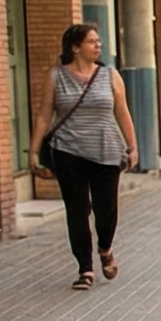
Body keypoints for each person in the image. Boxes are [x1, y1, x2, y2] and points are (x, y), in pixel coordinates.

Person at [30, 22, 138, 290]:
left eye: (98, 41)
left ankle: (105, 248)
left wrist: (132, 146)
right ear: (75, 47)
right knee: (77, 210)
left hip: (106, 151)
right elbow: (45, 114)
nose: (98, 46)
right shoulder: (56, 76)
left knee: (106, 210)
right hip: (68, 151)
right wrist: (33, 151)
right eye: (92, 41)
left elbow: (122, 112)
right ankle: (85, 268)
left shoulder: (110, 75)